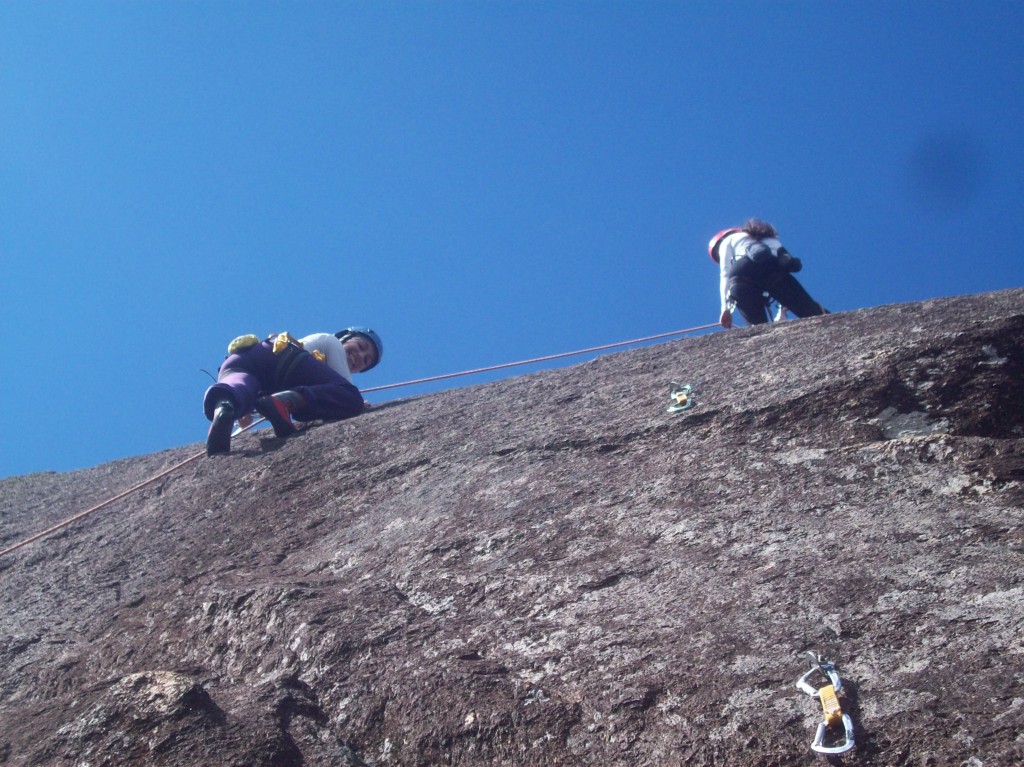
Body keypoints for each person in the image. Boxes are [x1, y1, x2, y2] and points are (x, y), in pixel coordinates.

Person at [203, 327, 383, 456]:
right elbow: (345, 390)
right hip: (287, 362)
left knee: (237, 387)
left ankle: (225, 406)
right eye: (361, 347)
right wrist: (359, 405)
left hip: (245, 359)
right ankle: (285, 402)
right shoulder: (331, 341)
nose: (360, 356)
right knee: (350, 399)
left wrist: (243, 410)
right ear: (345, 338)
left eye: (365, 360)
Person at [708, 219, 826, 328]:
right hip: (772, 270)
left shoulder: (726, 241)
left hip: (741, 275)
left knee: (757, 329)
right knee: (812, 312)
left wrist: (726, 309)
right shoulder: (767, 237)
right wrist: (784, 309)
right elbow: (784, 261)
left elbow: (725, 273)